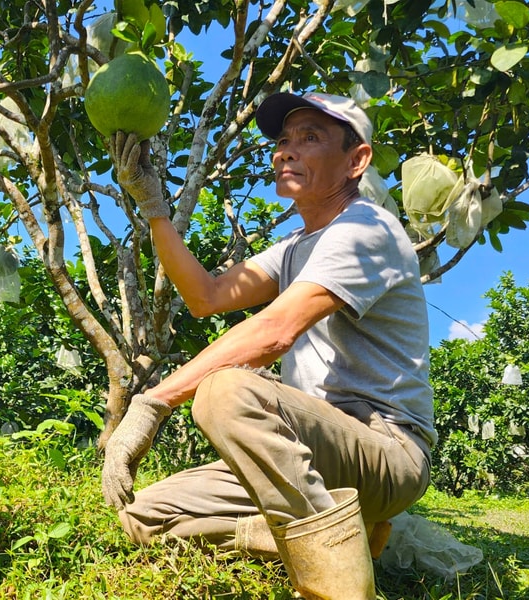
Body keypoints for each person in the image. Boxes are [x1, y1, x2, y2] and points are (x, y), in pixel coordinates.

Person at [103, 92, 436, 599]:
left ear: (357, 161)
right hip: (304, 447)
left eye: (310, 138)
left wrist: (152, 404)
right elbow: (206, 297)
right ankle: (321, 532)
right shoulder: (297, 247)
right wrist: (155, 209)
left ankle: (341, 589)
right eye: (282, 141)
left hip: (385, 448)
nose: (285, 151)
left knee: (227, 391)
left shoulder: (366, 229)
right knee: (146, 516)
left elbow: (274, 331)